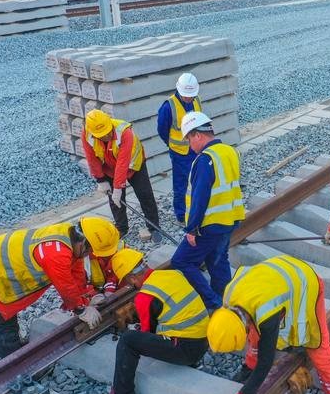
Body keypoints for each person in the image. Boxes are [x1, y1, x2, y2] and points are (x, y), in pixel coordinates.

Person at [207, 255, 330, 394]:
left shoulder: (267, 313)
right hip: (277, 273)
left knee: (319, 348)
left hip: (305, 281)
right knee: (255, 333)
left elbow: (266, 362)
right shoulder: (229, 298)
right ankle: (248, 368)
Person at [0, 217, 120, 358]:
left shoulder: (70, 240)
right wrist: (81, 310)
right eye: (90, 251)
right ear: (84, 243)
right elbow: (66, 287)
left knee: (0, 319)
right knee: (1, 321)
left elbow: (77, 275)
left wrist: (87, 297)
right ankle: (13, 362)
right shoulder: (56, 254)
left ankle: (7, 351)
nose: (90, 255)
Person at [96, 249, 209, 394]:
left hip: (187, 352)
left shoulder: (145, 297)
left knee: (128, 340)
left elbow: (147, 333)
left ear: (132, 277)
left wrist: (135, 329)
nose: (131, 285)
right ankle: (194, 362)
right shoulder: (172, 274)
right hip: (203, 341)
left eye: (128, 281)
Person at [170, 111, 245, 310]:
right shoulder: (229, 151)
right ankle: (227, 302)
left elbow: (200, 198)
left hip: (210, 225)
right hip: (230, 219)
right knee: (217, 261)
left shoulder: (205, 159)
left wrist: (192, 229)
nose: (189, 146)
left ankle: (214, 302)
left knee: (182, 261)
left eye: (189, 139)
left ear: (197, 135)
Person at [83, 109, 161, 243]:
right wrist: (100, 179)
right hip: (110, 168)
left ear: (110, 123)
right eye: (102, 135)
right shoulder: (87, 134)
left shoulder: (125, 133)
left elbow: (123, 162)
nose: (106, 136)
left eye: (108, 132)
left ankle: (154, 227)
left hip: (134, 165)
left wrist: (118, 187)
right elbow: (91, 158)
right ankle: (121, 228)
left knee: (145, 194)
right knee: (115, 201)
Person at [157, 73, 202, 225]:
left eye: (191, 96)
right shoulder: (168, 107)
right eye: (186, 96)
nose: (189, 98)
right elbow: (162, 130)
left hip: (196, 149)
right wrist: (172, 144)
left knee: (197, 179)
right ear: (179, 91)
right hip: (180, 153)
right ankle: (181, 214)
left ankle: (196, 208)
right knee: (181, 184)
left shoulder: (197, 100)